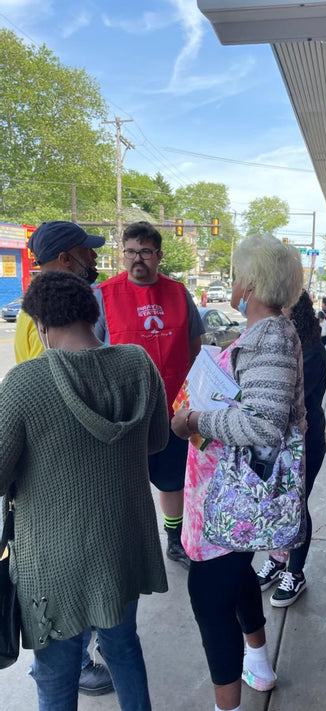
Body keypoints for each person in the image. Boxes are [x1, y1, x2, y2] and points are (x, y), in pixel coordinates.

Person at [1, 271, 169, 710]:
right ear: (93, 315)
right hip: (122, 546)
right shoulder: (138, 363)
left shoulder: (24, 384)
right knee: (123, 648)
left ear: (40, 324)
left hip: (53, 563)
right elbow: (156, 441)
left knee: (56, 677)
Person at [171, 234, 305, 711]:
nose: (233, 282)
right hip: (223, 496)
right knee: (236, 577)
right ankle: (259, 664)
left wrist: (195, 420)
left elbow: (265, 426)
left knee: (209, 599)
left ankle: (225, 705)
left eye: (235, 273)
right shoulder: (265, 333)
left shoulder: (268, 335)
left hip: (228, 496)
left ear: (248, 282)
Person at [13, 220, 113, 696]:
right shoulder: (46, 318)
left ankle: (69, 660)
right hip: (59, 481)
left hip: (67, 475)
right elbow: (43, 396)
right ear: (68, 260)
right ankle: (61, 668)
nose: (94, 260)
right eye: (86, 253)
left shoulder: (52, 311)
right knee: (65, 601)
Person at [93, 221, 204, 569]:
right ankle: (125, 545)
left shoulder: (179, 292)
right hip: (125, 415)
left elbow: (195, 347)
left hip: (173, 412)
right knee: (125, 485)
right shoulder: (103, 294)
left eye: (144, 252)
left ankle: (175, 540)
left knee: (172, 482)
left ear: (158, 255)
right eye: (129, 251)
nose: (136, 259)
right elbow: (90, 353)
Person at [256, 290, 326, 606]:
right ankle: (278, 558)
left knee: (297, 504)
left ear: (292, 310)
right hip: (276, 441)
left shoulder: (309, 349)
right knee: (277, 504)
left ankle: (295, 573)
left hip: (305, 439)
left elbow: (285, 399)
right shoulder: (274, 341)